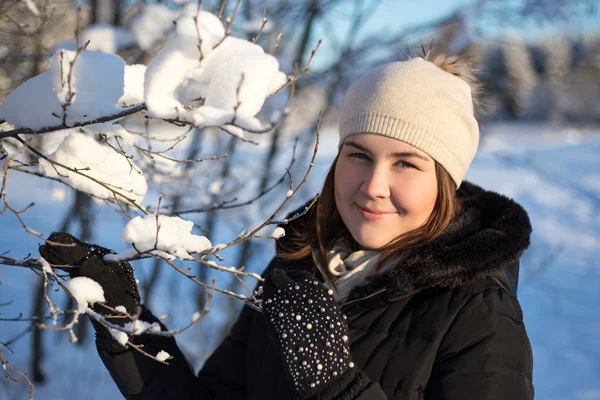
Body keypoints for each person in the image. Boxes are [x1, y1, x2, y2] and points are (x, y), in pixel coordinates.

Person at [39, 51, 534, 400]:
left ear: (444, 182)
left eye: (406, 163)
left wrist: (335, 389)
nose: (373, 185)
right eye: (358, 155)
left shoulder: (476, 312)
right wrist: (132, 329)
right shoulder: (296, 270)